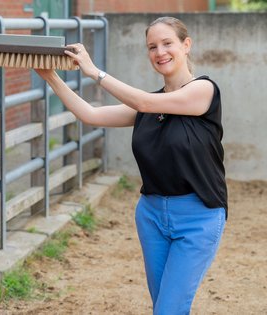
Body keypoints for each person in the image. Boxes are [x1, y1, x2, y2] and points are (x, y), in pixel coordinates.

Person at [35, 16, 227, 315]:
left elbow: (144, 104)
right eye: (152, 46)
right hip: (151, 216)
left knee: (169, 310)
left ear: (186, 45)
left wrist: (94, 72)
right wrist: (51, 78)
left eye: (167, 43)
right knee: (162, 306)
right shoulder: (147, 104)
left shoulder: (203, 91)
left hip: (198, 217)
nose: (159, 52)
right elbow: (91, 115)